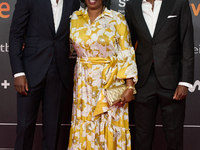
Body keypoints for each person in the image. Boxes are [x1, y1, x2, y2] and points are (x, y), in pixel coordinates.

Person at [9, 0, 79, 149]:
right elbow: (16, 35)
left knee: (53, 129)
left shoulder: (73, 2)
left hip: (59, 72)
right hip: (30, 72)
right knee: (25, 127)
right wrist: (18, 73)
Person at [68, 0, 138, 149]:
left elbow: (126, 53)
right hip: (83, 83)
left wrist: (130, 87)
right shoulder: (75, 17)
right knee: (85, 122)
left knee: (110, 123)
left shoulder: (116, 18)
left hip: (110, 82)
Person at [125, 0, 194, 149]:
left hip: (172, 80)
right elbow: (127, 45)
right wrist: (128, 81)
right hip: (142, 80)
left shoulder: (178, 3)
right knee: (142, 137)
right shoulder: (132, 6)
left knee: (174, 136)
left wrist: (184, 82)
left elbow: (187, 42)